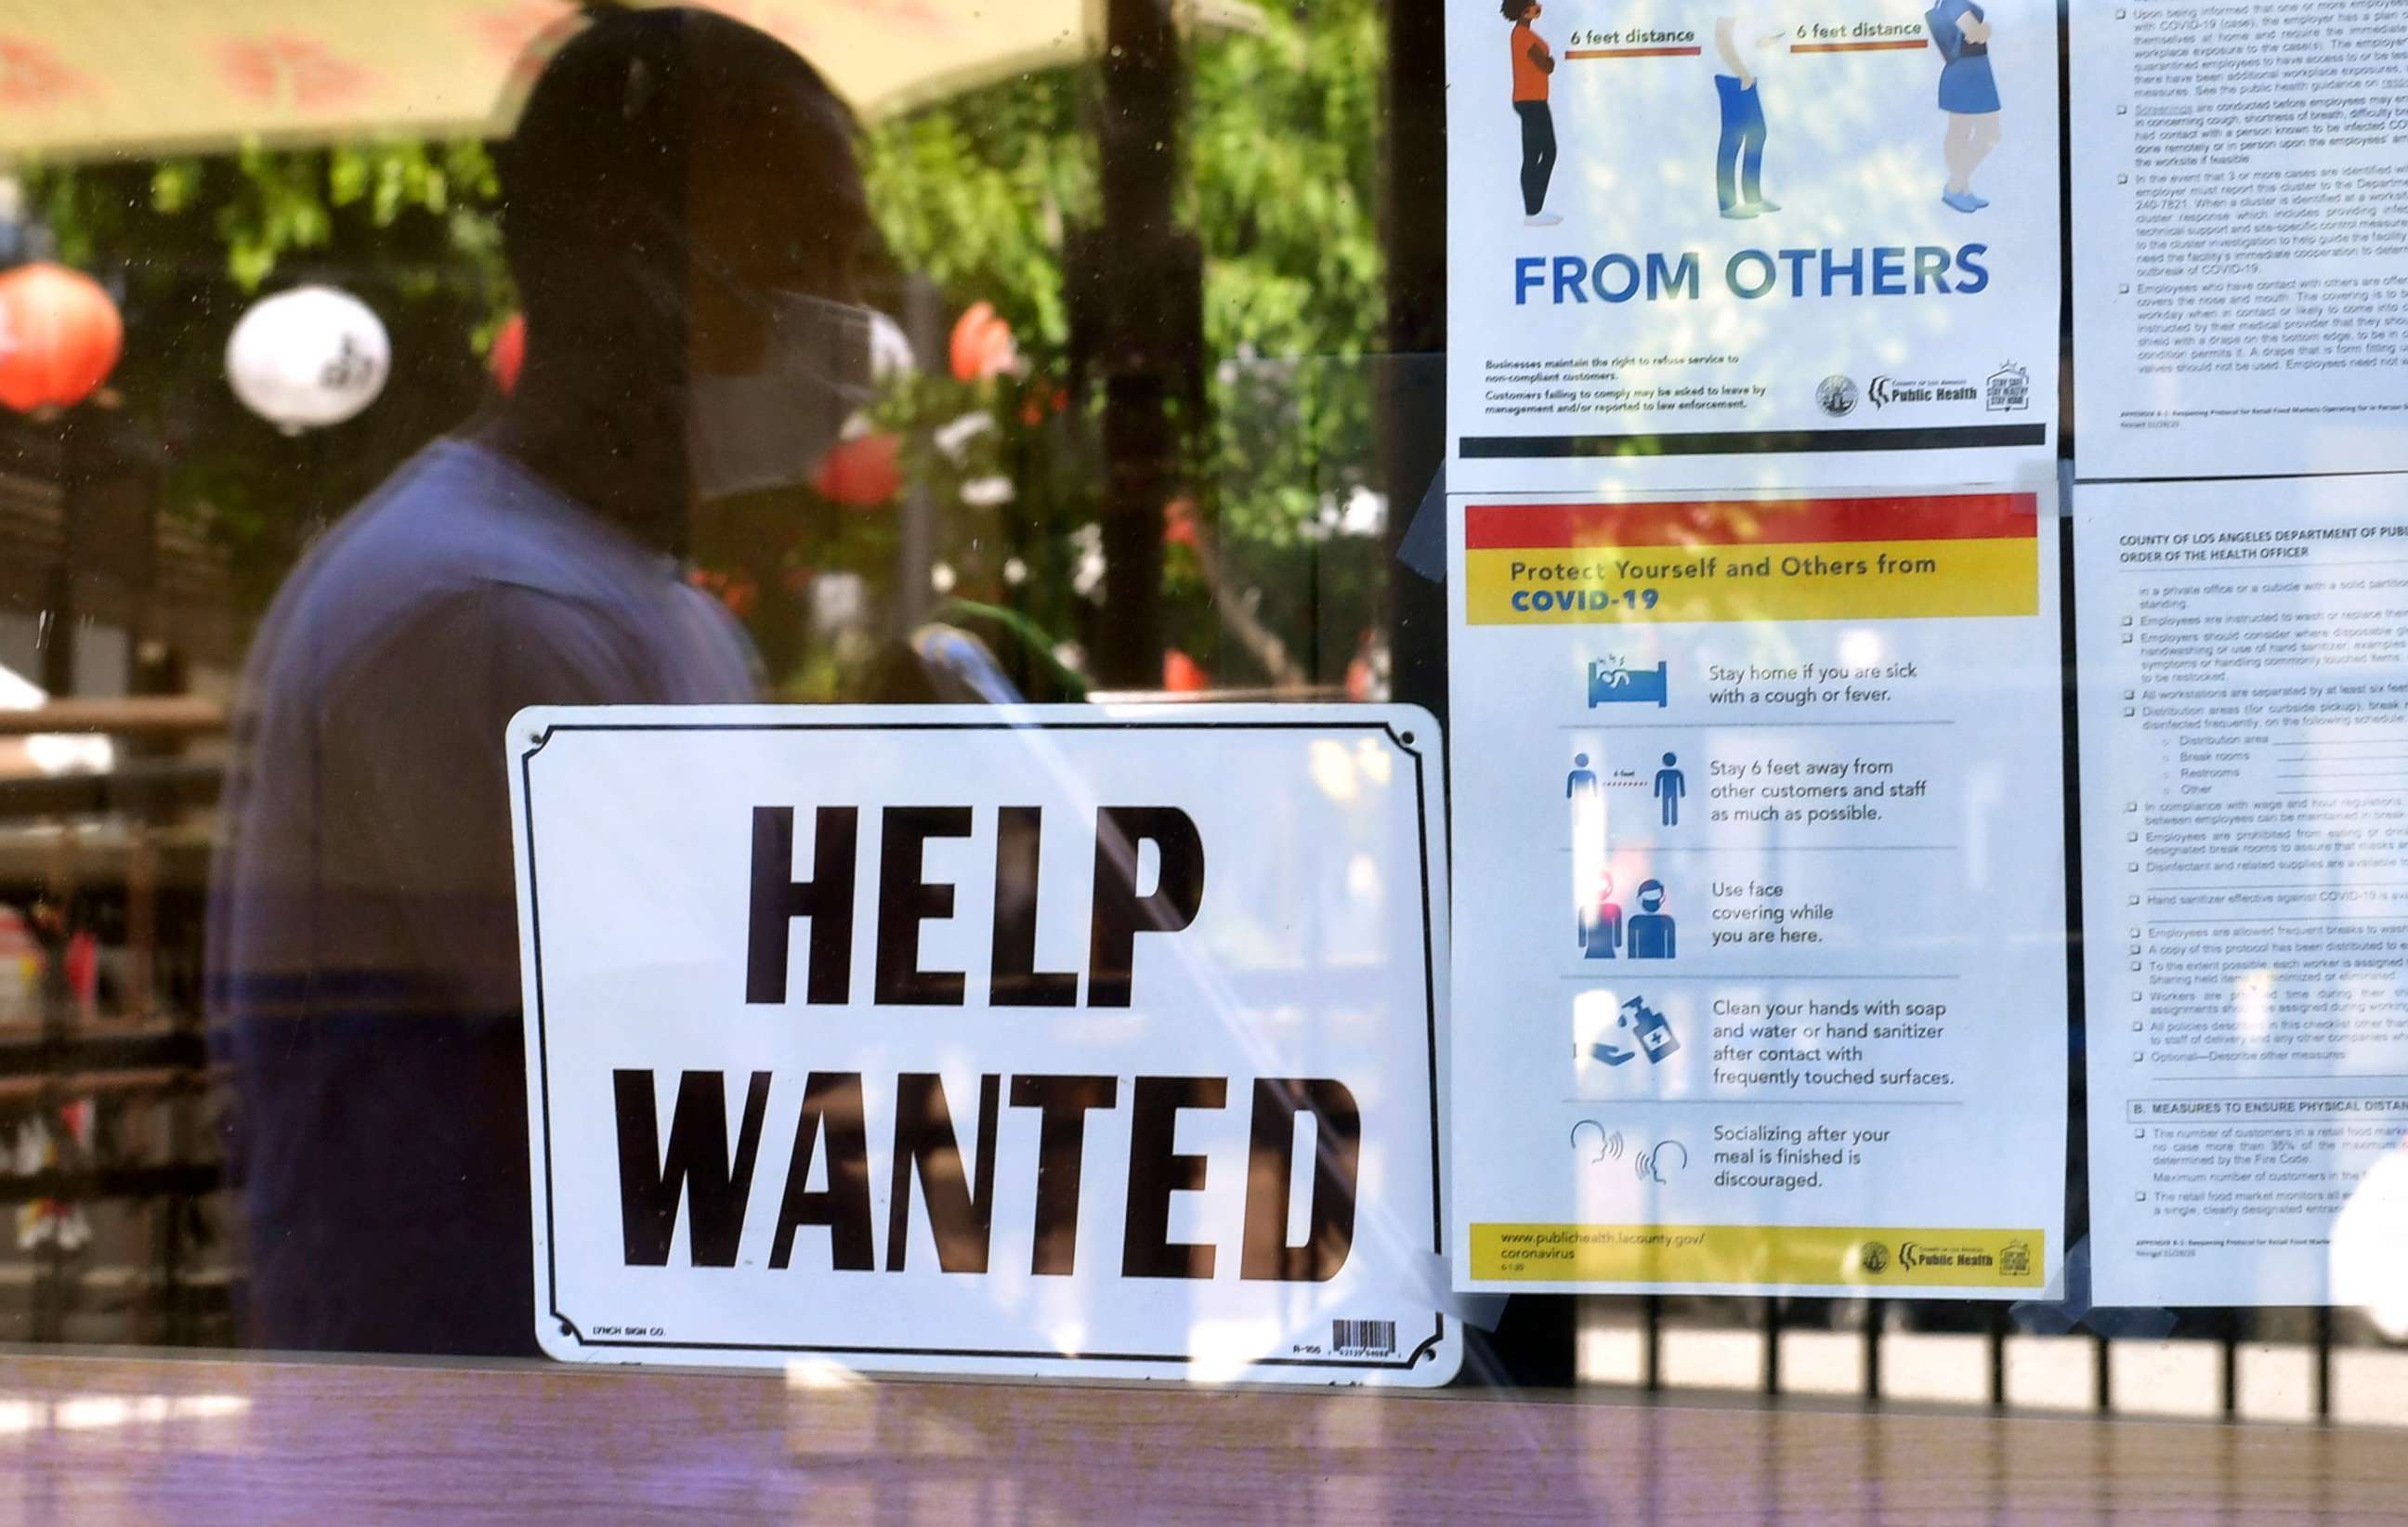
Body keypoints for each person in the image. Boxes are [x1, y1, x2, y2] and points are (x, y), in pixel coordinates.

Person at [206, 8, 874, 1355]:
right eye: (804, 250)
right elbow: (689, 1149)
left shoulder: (638, 600)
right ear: (641, 263)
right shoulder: (491, 615)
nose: (848, 316)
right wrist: (1055, 1402)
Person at [1711, 13, 1786, 218]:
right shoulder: (1727, 8)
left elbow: (1748, 41)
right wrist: (1743, 74)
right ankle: (1727, 205)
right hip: (1733, 78)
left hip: (1745, 78)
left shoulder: (1749, 10)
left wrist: (1770, 40)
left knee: (1757, 133)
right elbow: (1722, 41)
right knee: (1732, 139)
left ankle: (1753, 199)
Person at [1929, 0, 2001, 212]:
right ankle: (1955, 187)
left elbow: (1975, 34)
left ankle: (1962, 189)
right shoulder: (1955, 4)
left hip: (1974, 68)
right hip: (1966, 71)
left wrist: (1981, 31)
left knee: (1964, 131)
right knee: (1979, 133)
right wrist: (1986, 29)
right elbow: (1976, 33)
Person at [1504, 0, 1561, 228]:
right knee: (1543, 153)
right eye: (1532, 5)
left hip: (1532, 100)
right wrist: (1550, 62)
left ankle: (1534, 210)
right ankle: (1533, 211)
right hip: (1531, 101)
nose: (1538, 7)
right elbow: (1545, 65)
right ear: (1522, 10)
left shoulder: (1524, 34)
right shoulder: (1522, 35)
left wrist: (1549, 62)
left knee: (1538, 153)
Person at [1628, 880, 1677, 959]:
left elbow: (1631, 950)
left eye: (1654, 896)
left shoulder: (1635, 921)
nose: (1651, 900)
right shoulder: (1667, 921)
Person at [1654, 750, 1685, 828]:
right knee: (1671, 805)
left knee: (1667, 805)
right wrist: (1682, 792)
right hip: (1673, 792)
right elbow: (1681, 782)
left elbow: (1657, 782)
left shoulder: (1662, 772)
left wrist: (1657, 793)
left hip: (1667, 792)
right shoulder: (1676, 773)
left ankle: (1668, 821)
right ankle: (1671, 821)